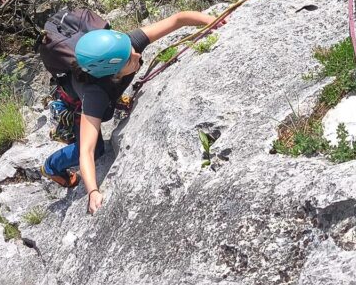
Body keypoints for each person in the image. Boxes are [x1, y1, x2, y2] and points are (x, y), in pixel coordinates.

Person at [40, 11, 223, 214]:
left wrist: (214, 21)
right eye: (129, 59)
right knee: (99, 148)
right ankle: (51, 166)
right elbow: (87, 151)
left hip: (100, 83)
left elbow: (178, 19)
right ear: (114, 73)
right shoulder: (95, 95)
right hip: (75, 101)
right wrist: (93, 191)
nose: (137, 54)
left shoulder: (125, 46)